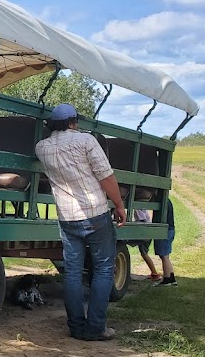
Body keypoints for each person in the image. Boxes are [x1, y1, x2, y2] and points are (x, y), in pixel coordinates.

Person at [35, 103, 126, 341]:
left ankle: (76, 327)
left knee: (72, 273)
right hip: (95, 212)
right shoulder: (86, 141)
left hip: (67, 216)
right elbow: (105, 176)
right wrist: (118, 204)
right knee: (104, 269)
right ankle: (96, 328)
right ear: (73, 122)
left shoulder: (41, 148)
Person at [132, 209, 161, 281]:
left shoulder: (138, 207)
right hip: (147, 230)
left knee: (144, 253)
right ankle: (154, 273)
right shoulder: (141, 207)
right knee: (144, 253)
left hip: (145, 231)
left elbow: (142, 219)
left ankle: (155, 274)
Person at [153, 200, 176, 286]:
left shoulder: (163, 201)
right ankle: (171, 279)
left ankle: (167, 279)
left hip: (165, 230)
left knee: (164, 256)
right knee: (166, 256)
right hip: (170, 229)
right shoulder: (168, 201)